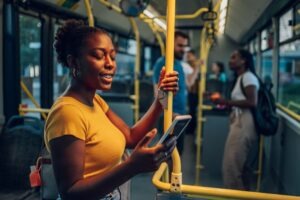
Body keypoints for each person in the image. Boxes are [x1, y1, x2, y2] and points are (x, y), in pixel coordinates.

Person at [44, 19, 179, 200]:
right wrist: (132, 166)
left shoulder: (96, 101)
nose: (110, 64)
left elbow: (130, 137)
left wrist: (160, 100)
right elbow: (70, 193)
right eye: (99, 56)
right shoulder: (67, 113)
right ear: (74, 62)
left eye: (112, 56)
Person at [211, 49, 259, 190]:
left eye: (234, 57)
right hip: (239, 121)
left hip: (244, 122)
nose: (230, 60)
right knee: (241, 168)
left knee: (231, 167)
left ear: (243, 60)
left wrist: (225, 101)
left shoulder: (248, 77)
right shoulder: (241, 77)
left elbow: (252, 101)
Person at [152, 31, 189, 154]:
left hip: (180, 115)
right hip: (169, 116)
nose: (183, 49)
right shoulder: (162, 64)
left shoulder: (179, 64)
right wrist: (170, 113)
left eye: (184, 46)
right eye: (180, 46)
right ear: (170, 45)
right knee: (167, 155)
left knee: (178, 153)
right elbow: (158, 94)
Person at [184, 49, 200, 135]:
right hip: (191, 91)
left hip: (196, 91)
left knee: (193, 111)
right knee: (191, 111)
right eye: (187, 56)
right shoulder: (188, 66)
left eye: (189, 56)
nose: (188, 58)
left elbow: (192, 81)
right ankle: (190, 129)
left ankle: (191, 129)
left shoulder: (194, 66)